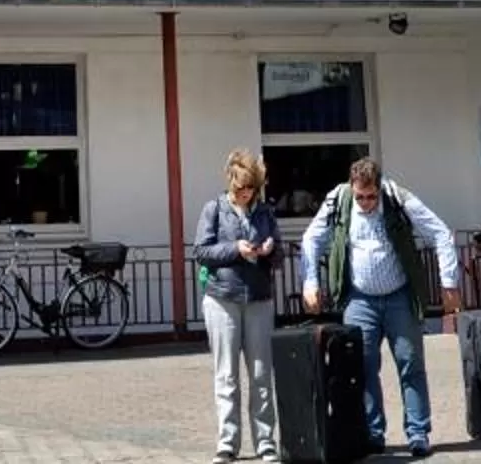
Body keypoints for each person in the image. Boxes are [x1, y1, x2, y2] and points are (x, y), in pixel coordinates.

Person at [299, 157, 462, 462]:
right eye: (360, 196)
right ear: (352, 187)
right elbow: (311, 238)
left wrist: (449, 282)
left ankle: (417, 433)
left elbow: (439, 232)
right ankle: (374, 433)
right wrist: (310, 283)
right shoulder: (339, 199)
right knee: (362, 367)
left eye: (371, 196)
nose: (365, 203)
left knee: (410, 363)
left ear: (379, 186)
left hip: (399, 296)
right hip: (359, 299)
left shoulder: (397, 196)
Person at [192, 149, 283, 464]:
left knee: (260, 373)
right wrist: (235, 249)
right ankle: (227, 443)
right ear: (230, 183)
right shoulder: (214, 209)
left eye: (251, 189)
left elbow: (280, 256)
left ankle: (266, 442)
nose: (245, 195)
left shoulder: (265, 213)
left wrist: (270, 250)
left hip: (258, 297)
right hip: (222, 298)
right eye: (240, 189)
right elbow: (201, 251)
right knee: (226, 374)